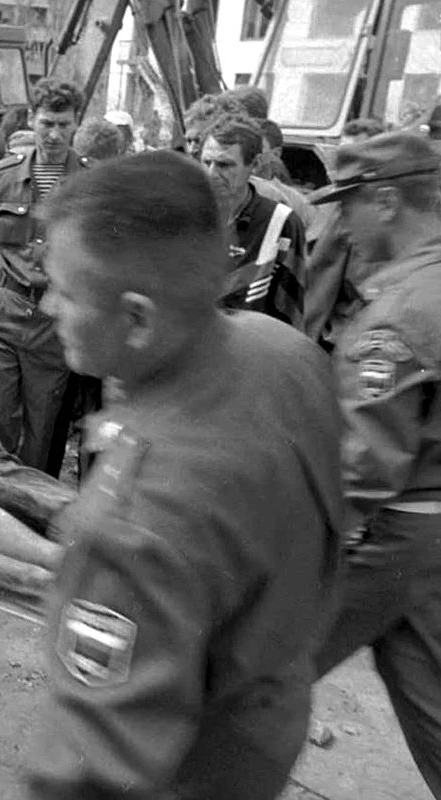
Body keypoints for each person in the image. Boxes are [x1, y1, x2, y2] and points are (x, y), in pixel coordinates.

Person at [26, 150, 342, 799]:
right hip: (271, 710)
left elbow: (92, 770)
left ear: (138, 318)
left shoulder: (138, 518)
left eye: (66, 290)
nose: (48, 306)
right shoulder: (283, 352)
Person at [307, 130, 441, 796]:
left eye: (349, 203)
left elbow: (365, 469)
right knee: (428, 700)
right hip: (426, 539)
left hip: (396, 533)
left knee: (254, 668)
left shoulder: (396, 318)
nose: (340, 223)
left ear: (386, 201)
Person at [0, 81, 89, 476]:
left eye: (63, 125)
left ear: (76, 125)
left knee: (42, 433)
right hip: (2, 313)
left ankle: (32, 512)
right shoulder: (0, 178)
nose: (53, 134)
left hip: (55, 323)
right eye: (46, 123)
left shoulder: (92, 187)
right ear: (32, 119)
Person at [200, 113, 307, 328]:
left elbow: (290, 318)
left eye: (224, 165)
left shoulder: (280, 224)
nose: (211, 174)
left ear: (255, 164)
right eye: (206, 162)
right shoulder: (182, 215)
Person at [303, 117, 390, 350]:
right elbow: (317, 285)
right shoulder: (320, 204)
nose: (342, 164)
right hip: (327, 340)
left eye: (354, 156)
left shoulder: (372, 213)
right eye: (341, 154)